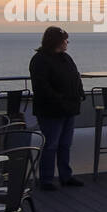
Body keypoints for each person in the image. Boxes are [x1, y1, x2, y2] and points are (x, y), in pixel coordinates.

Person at [29, 26, 85, 190]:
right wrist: (59, 99)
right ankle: (46, 179)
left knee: (65, 144)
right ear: (56, 41)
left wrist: (80, 92)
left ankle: (65, 176)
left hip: (69, 108)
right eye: (64, 39)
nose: (67, 42)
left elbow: (75, 76)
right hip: (51, 110)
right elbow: (41, 86)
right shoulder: (39, 60)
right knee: (51, 144)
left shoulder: (65, 58)